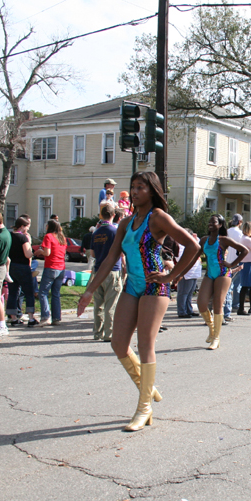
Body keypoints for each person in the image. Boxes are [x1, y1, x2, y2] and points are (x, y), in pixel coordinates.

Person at [78, 172, 200, 432]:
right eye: (132, 187)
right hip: (132, 285)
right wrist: (89, 291)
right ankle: (149, 387)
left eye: (140, 187)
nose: (134, 192)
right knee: (118, 343)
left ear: (152, 190)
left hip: (155, 286)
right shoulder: (126, 222)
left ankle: (144, 407)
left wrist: (171, 275)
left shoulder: (158, 217)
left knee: (145, 343)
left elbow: (192, 246)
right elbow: (110, 258)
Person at [171, 214, 247, 350]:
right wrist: (180, 274)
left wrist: (231, 264)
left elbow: (244, 250)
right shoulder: (204, 240)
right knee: (201, 304)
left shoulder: (224, 240)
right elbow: (193, 258)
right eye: (209, 222)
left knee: (218, 303)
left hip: (223, 273)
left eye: (214, 222)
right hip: (210, 274)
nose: (210, 224)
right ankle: (212, 329)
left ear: (220, 225)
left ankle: (216, 338)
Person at [90, 204, 124, 342]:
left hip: (98, 270)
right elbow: (121, 251)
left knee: (98, 304)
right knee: (112, 303)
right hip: (112, 270)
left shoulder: (96, 233)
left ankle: (97, 333)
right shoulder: (115, 232)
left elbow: (92, 253)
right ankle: (109, 334)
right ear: (113, 215)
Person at [6, 217, 39, 328]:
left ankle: (13, 318)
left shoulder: (9, 236)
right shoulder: (23, 238)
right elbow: (28, 254)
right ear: (22, 226)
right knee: (29, 292)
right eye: (27, 227)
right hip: (23, 267)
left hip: (11, 266)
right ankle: (30, 317)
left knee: (13, 292)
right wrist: (29, 244)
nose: (27, 229)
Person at [34, 220, 67, 326]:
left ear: (49, 226)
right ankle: (56, 318)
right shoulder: (62, 238)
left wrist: (40, 252)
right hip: (61, 267)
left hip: (51, 267)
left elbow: (47, 252)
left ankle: (45, 317)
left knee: (43, 292)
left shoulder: (48, 236)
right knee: (56, 293)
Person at [223, 214, 245, 322]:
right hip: (236, 260)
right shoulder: (240, 233)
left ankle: (229, 306)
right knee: (235, 286)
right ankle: (234, 305)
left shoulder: (227, 232)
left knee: (228, 287)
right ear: (240, 222)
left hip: (227, 260)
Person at [175, 230, 202, 318]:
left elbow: (198, 244)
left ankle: (189, 309)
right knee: (183, 292)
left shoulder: (192, 244)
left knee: (190, 293)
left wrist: (195, 238)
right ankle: (182, 311)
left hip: (193, 272)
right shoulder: (181, 245)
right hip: (186, 272)